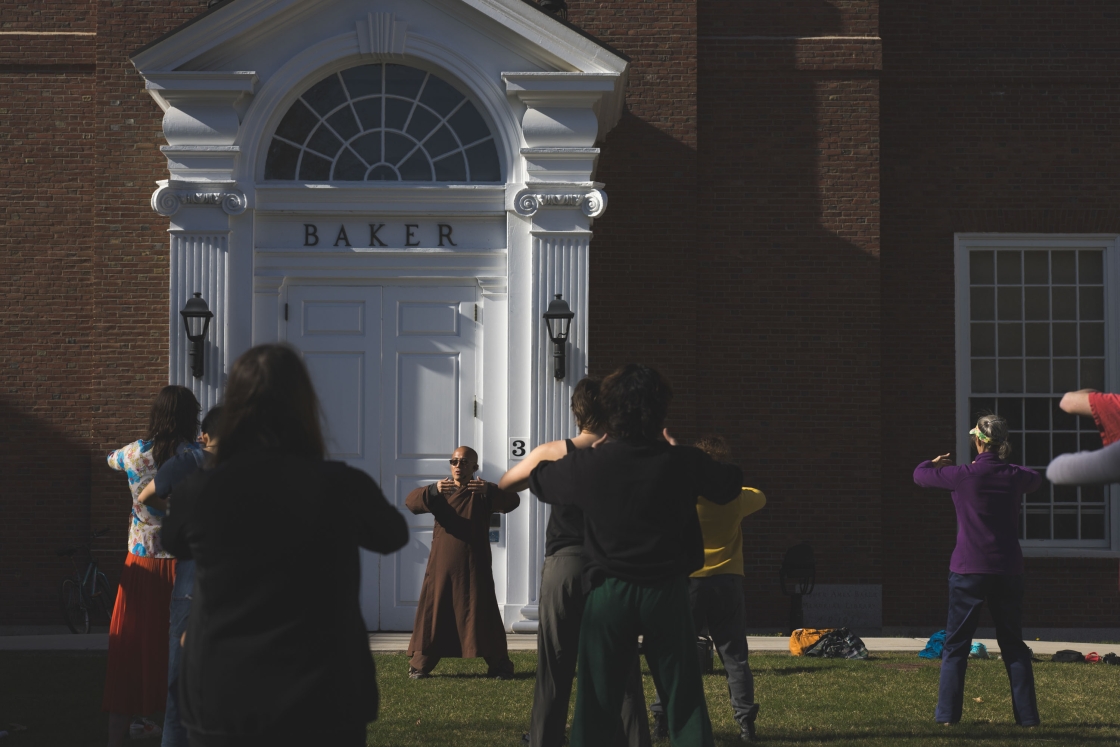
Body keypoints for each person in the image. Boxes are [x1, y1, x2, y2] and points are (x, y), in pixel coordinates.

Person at [161, 344, 408, 746]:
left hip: (223, 690)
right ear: (305, 407)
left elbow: (173, 540)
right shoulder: (339, 485)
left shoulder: (201, 490)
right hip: (324, 692)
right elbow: (392, 533)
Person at [529, 364, 743, 747]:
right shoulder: (683, 462)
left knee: (595, 704)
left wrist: (584, 455)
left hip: (609, 592)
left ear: (611, 412)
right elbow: (730, 483)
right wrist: (679, 451)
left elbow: (540, 479)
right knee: (685, 701)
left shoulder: (590, 464)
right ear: (660, 411)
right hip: (667, 591)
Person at [499, 378, 651, 747]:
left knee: (555, 663)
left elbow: (506, 484)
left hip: (565, 563)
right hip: (613, 566)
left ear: (577, 412)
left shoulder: (554, 452)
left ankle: (544, 739)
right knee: (623, 662)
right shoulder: (627, 454)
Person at [912, 414, 1042, 727]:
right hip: (1008, 569)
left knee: (955, 645)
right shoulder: (1014, 476)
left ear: (978, 440)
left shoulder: (961, 475)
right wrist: (1007, 465)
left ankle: (947, 717)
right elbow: (1034, 477)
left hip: (968, 569)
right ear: (1002, 443)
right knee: (1013, 644)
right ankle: (1027, 718)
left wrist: (933, 461)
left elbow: (919, 475)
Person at [648, 435, 766, 742]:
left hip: (688, 581)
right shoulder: (737, 499)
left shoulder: (684, 496)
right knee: (734, 654)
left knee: (674, 653)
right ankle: (745, 722)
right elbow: (760, 496)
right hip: (728, 580)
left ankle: (661, 717)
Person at [104, 385, 201, 747]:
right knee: (177, 649)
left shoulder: (133, 453)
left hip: (140, 564)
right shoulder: (193, 455)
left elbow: (109, 459)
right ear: (190, 418)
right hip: (179, 567)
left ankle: (117, 738)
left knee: (129, 648)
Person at [136, 405, 222, 747]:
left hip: (193, 580)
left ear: (204, 436)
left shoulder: (190, 461)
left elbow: (147, 496)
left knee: (180, 693)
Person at [406, 446, 521, 678]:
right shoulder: (441, 491)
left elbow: (512, 501)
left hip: (474, 564)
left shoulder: (481, 493)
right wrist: (432, 489)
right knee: (437, 609)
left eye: (465, 462)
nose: (459, 466)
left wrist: (489, 489)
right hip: (442, 566)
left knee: (482, 610)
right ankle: (421, 664)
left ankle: (498, 664)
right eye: (455, 462)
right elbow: (411, 502)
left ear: (475, 467)